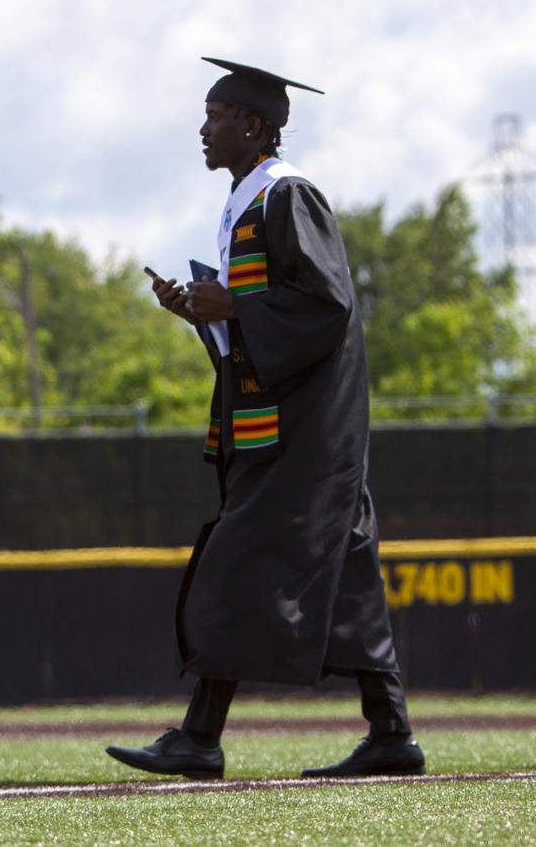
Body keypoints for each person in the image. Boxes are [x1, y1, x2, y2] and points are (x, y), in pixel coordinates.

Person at [106, 57, 425, 780]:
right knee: (346, 575)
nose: (203, 127)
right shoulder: (245, 203)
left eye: (216, 113)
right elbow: (262, 325)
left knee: (233, 562)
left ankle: (199, 735)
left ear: (252, 125)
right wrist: (204, 313)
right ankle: (392, 732)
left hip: (306, 431)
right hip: (296, 425)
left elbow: (327, 306)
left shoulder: (288, 196)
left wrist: (236, 306)